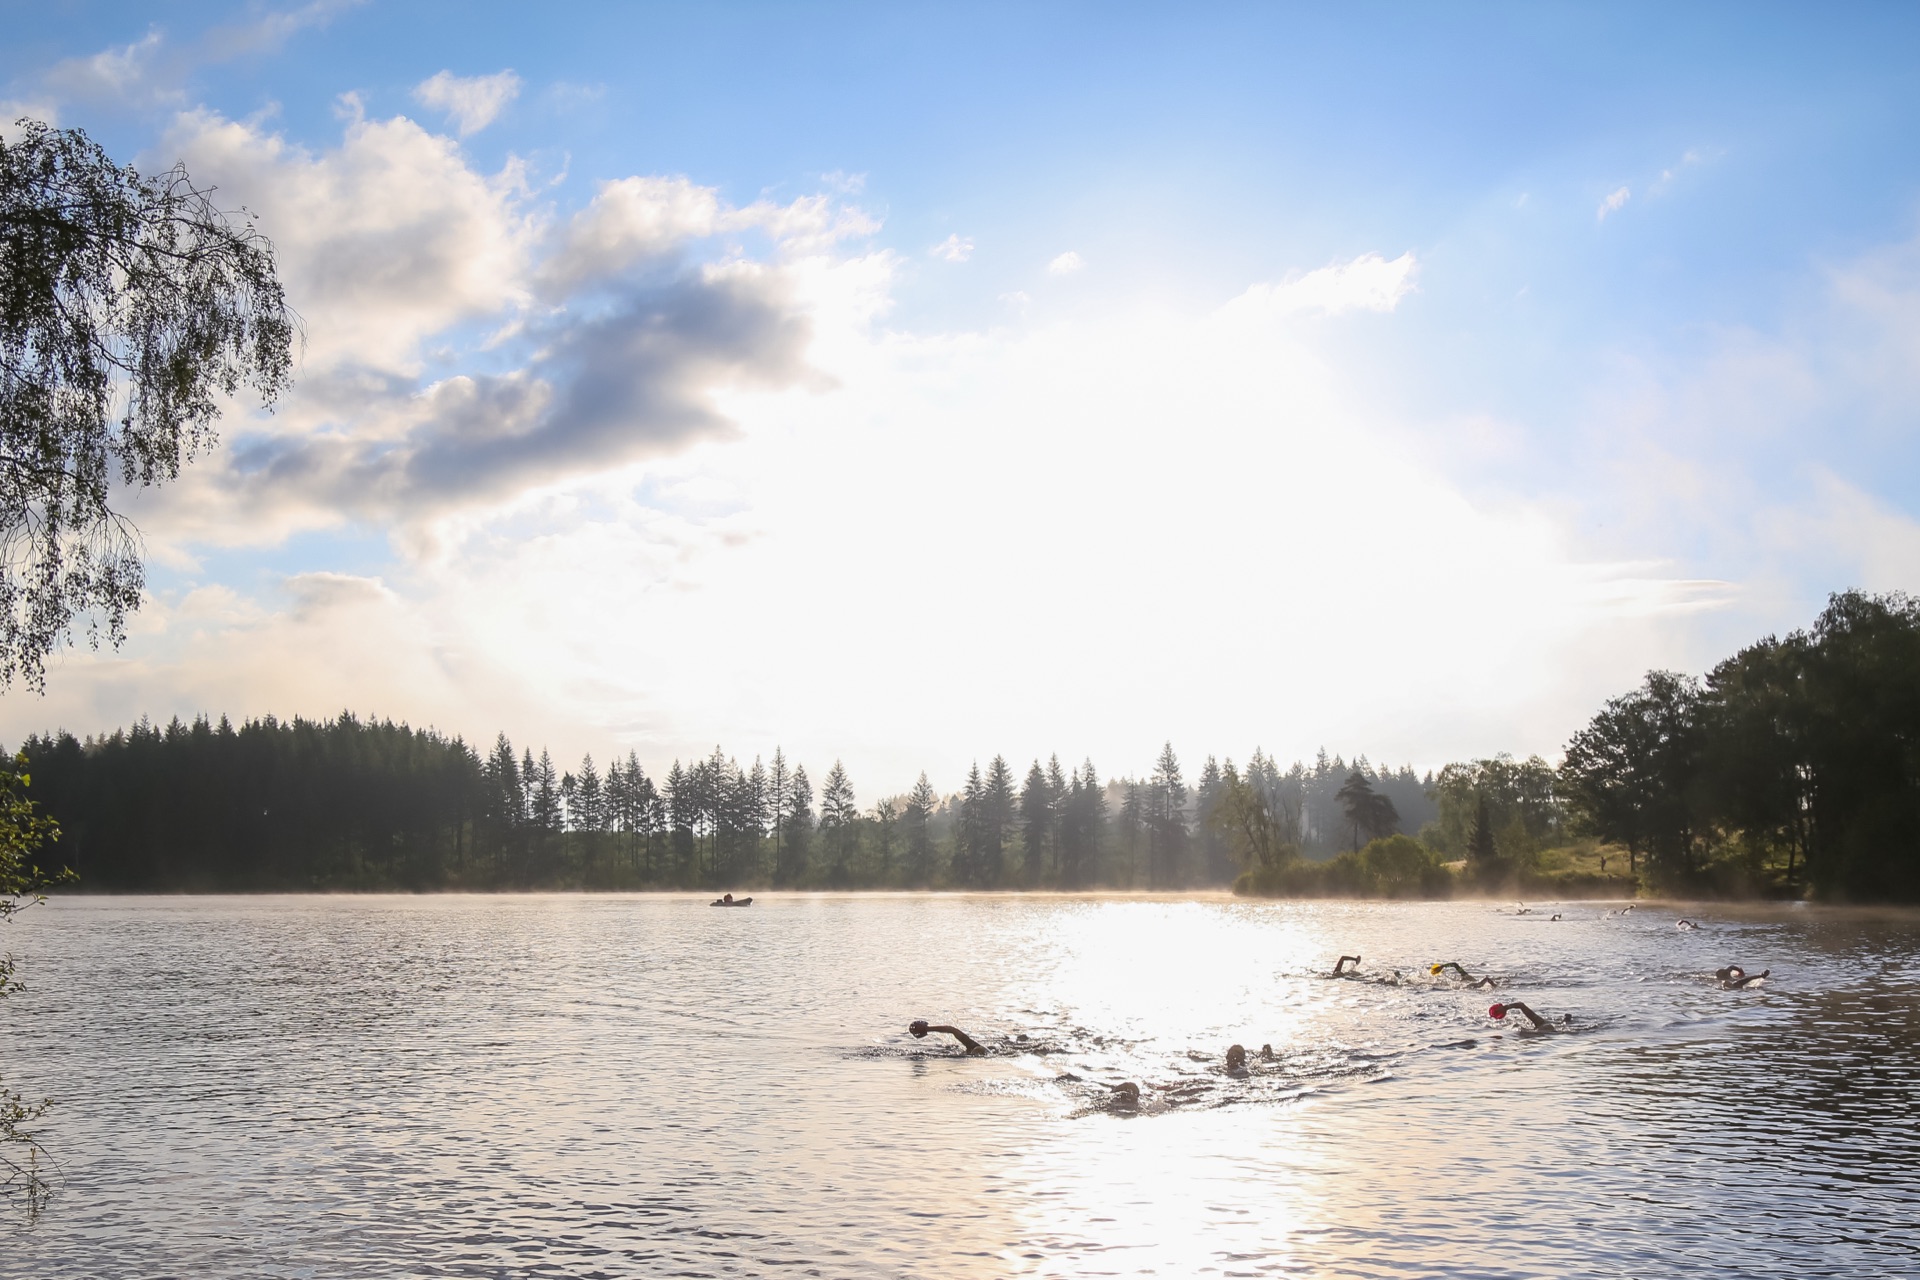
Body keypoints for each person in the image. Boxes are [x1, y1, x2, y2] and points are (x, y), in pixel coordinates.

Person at [908, 1020, 987, 1055]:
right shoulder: (971, 1045)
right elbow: (952, 1030)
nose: (974, 1053)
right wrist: (928, 1029)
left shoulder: (973, 1048)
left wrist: (928, 1029)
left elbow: (952, 1030)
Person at [1489, 1001, 1570, 1031]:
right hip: (1544, 1026)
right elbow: (1521, 1005)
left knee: (1560, 1024)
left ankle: (1566, 1020)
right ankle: (1566, 1020)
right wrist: (1506, 1007)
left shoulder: (1539, 1023)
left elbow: (1521, 1005)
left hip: (1544, 1027)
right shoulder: (1538, 1022)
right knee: (1561, 1023)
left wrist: (1506, 1008)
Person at [1430, 961, 1498, 989]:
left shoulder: (1465, 978)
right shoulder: (1470, 982)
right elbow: (1455, 964)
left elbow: (1455, 964)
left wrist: (1442, 966)